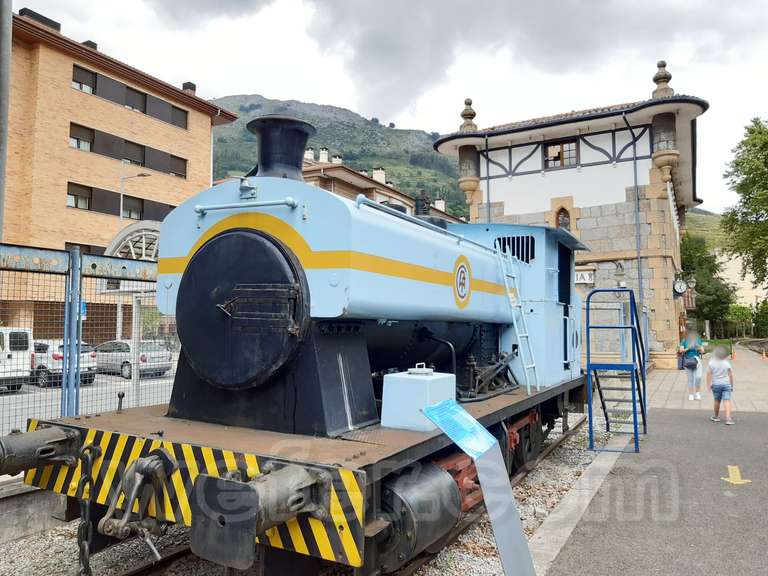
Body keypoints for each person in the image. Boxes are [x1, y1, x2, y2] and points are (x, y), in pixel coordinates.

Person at [707, 346, 735, 425]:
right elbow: (730, 375)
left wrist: (708, 385)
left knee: (717, 401)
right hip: (726, 384)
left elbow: (708, 374)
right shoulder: (727, 363)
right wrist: (732, 385)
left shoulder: (711, 363)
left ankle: (716, 417)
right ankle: (728, 419)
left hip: (716, 384)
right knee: (727, 400)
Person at [679, 329, 704, 401]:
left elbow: (702, 351)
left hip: (697, 360)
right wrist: (688, 348)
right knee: (690, 379)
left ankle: (697, 393)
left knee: (698, 377)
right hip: (688, 361)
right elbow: (681, 350)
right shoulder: (684, 340)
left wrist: (697, 346)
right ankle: (691, 394)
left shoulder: (698, 339)